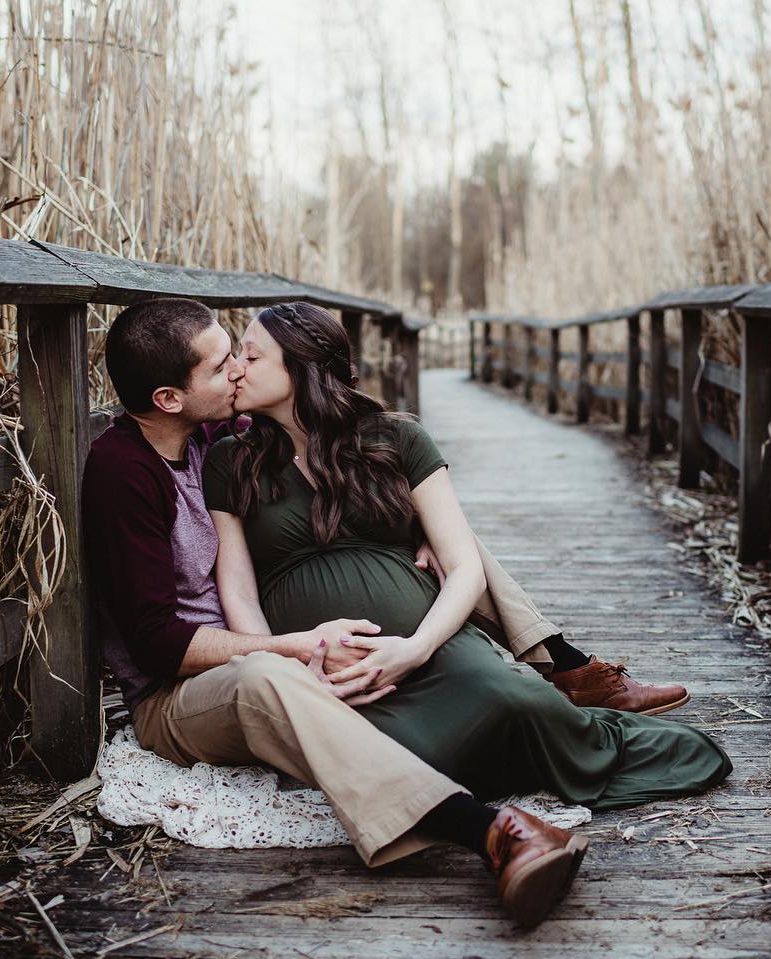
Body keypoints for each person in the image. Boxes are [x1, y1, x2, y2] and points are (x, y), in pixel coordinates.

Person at [83, 298, 586, 927]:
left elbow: (315, 435)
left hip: (258, 651)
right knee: (266, 679)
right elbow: (159, 645)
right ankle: (491, 832)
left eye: (240, 354)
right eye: (220, 366)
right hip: (179, 693)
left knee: (439, 530)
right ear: (168, 399)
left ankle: (565, 661)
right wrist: (295, 647)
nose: (237, 371)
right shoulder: (122, 473)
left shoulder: (211, 431)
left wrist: (410, 531)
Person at [202, 301, 732, 812]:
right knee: (413, 758)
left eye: (250, 356)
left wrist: (414, 649)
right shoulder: (233, 460)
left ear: (304, 366)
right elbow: (240, 590)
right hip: (325, 668)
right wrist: (290, 667)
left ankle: (571, 716)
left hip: (429, 646)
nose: (236, 371)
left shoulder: (398, 439)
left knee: (515, 703)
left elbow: (464, 567)